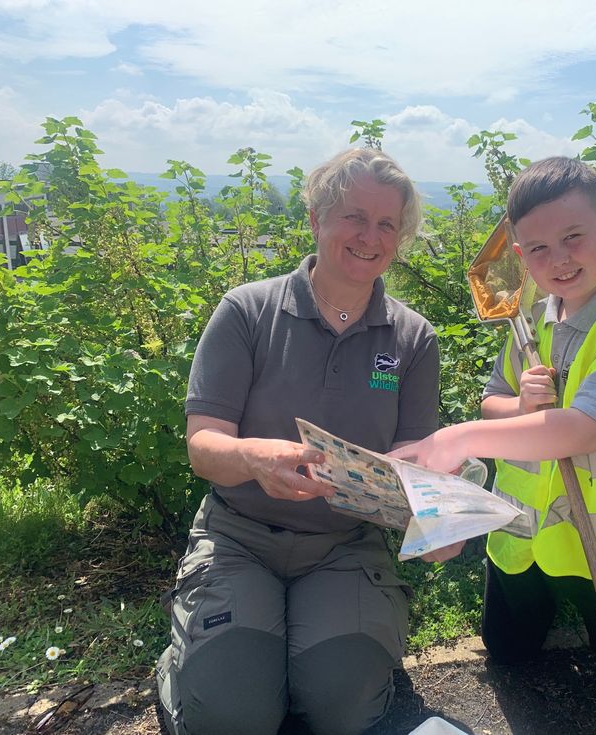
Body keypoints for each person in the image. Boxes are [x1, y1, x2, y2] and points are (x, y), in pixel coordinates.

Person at [157, 148, 458, 735]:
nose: (369, 236)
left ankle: (305, 663)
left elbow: (415, 464)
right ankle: (187, 672)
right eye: (354, 216)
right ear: (317, 216)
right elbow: (202, 446)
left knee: (341, 708)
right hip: (239, 537)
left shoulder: (413, 339)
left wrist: (440, 523)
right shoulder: (247, 311)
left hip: (349, 547)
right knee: (231, 714)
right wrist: (251, 456)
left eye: (387, 224)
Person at [390, 156, 596, 692]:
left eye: (574, 237)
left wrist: (455, 436)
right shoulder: (527, 318)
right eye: (538, 249)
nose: (559, 259)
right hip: (522, 530)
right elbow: (493, 404)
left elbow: (581, 430)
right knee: (507, 654)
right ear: (518, 255)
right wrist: (521, 408)